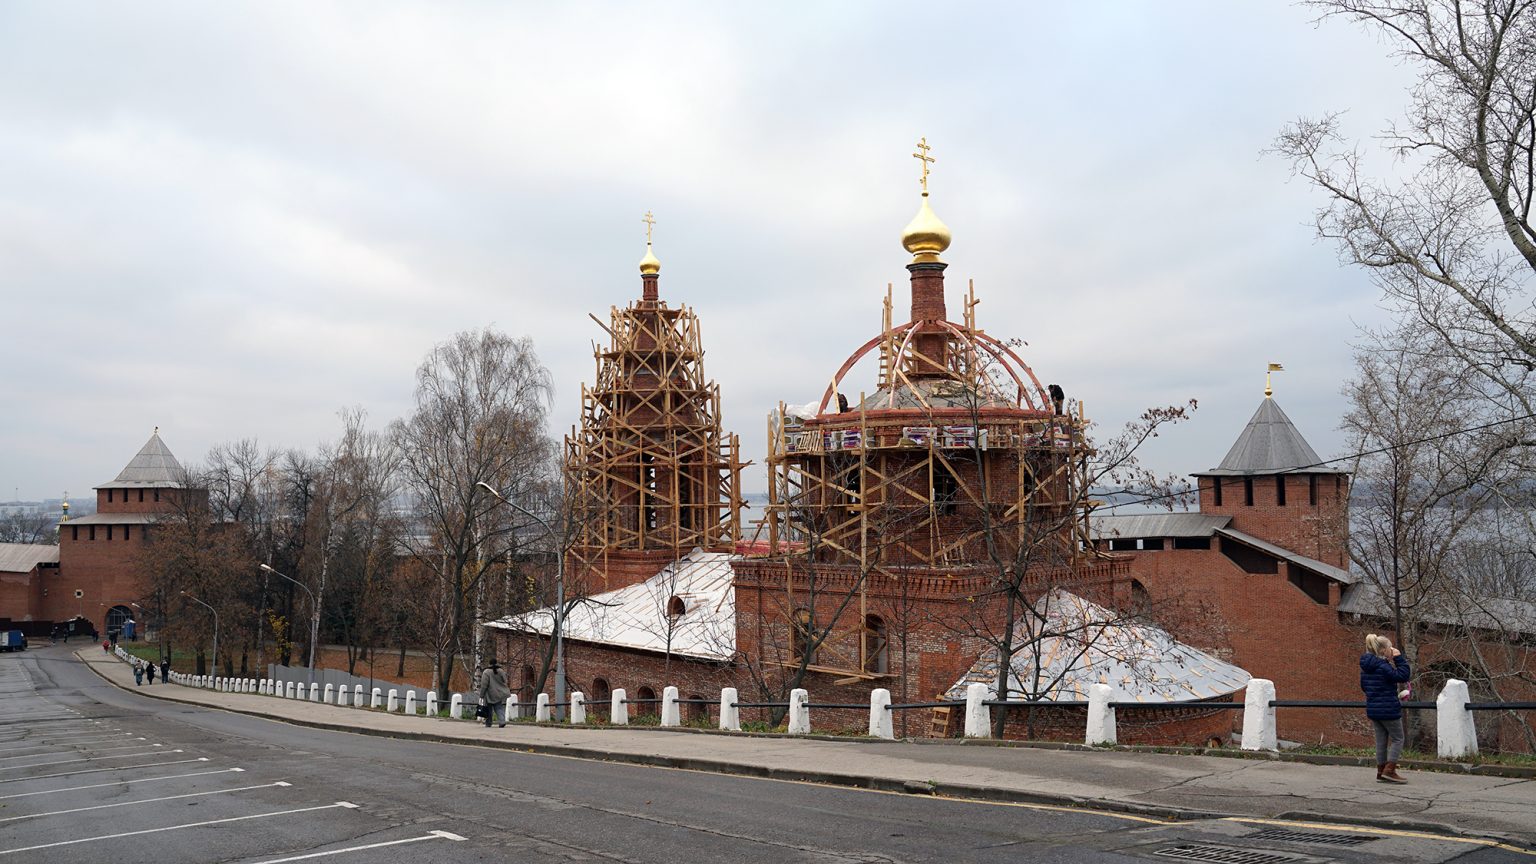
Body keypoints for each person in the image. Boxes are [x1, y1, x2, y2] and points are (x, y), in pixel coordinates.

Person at [1360, 633, 1412, 784]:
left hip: (1373, 709)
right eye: (1390, 648)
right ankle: (1390, 770)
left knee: (1381, 741)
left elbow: (1364, 687)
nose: (1392, 650)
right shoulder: (1383, 666)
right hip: (1388, 708)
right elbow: (1403, 676)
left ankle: (1380, 771)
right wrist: (1398, 658)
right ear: (1383, 650)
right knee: (1398, 738)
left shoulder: (1366, 667)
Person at [477, 659, 511, 728]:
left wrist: (482, 694)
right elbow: (505, 681)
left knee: (488, 709)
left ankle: (489, 723)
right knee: (499, 708)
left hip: (489, 694)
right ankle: (502, 721)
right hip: (499, 693)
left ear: (489, 663)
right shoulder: (501, 671)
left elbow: (484, 684)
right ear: (496, 663)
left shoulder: (486, 672)